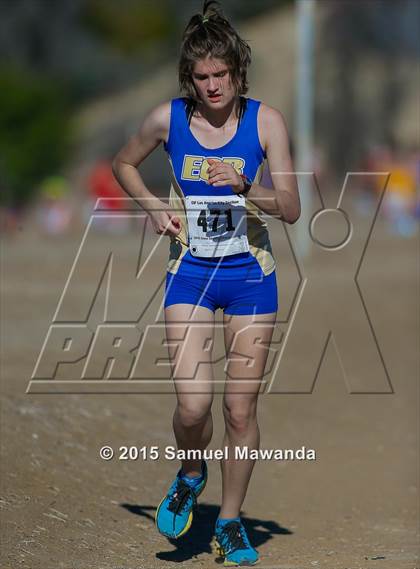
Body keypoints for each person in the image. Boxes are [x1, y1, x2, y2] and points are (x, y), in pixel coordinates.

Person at [112, 1, 300, 565]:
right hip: (190, 273)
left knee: (240, 411)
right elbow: (123, 163)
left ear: (239, 73)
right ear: (188, 79)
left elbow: (289, 207)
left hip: (250, 277)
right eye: (202, 77)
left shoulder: (265, 123)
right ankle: (191, 472)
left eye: (222, 75)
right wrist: (149, 206)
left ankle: (233, 521)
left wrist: (246, 186)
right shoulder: (165, 119)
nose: (213, 86)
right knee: (194, 407)